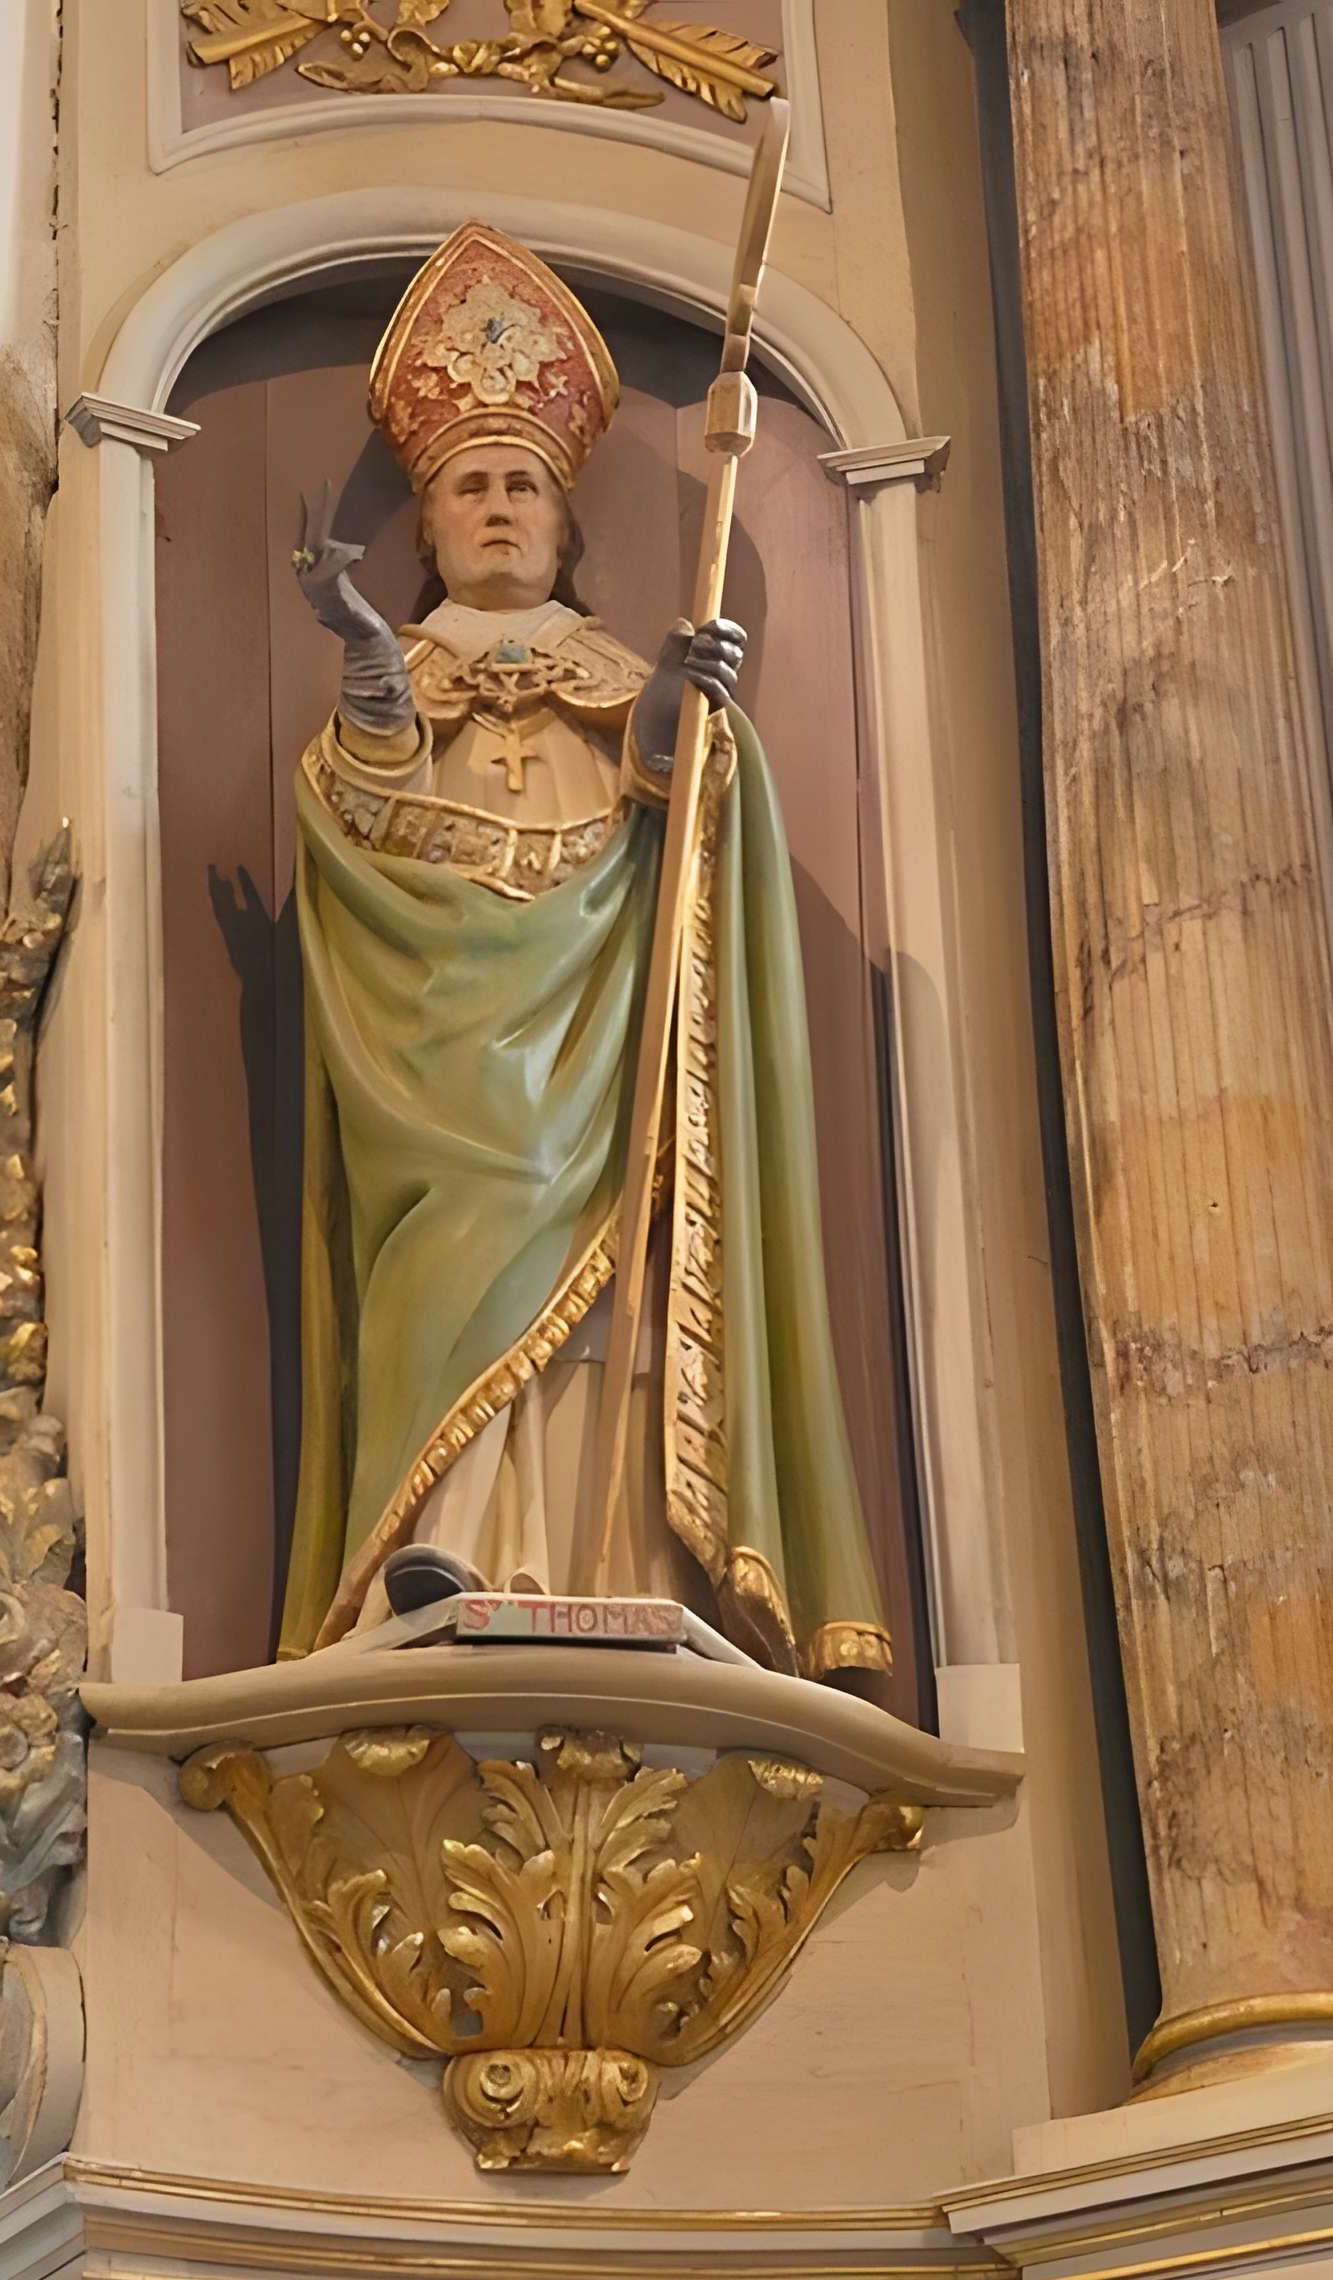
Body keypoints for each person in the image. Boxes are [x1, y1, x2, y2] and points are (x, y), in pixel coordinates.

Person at [270, 220, 892, 1682]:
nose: (495, 510)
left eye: (521, 488)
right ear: (425, 529)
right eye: (469, 489)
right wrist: (368, 656)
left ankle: (608, 1571)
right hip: (436, 1076)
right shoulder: (392, 685)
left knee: (610, 1304)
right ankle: (437, 1565)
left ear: (565, 524)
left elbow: (686, 825)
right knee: (446, 1263)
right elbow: (359, 820)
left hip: (602, 1044)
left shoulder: (626, 679)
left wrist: (685, 707)